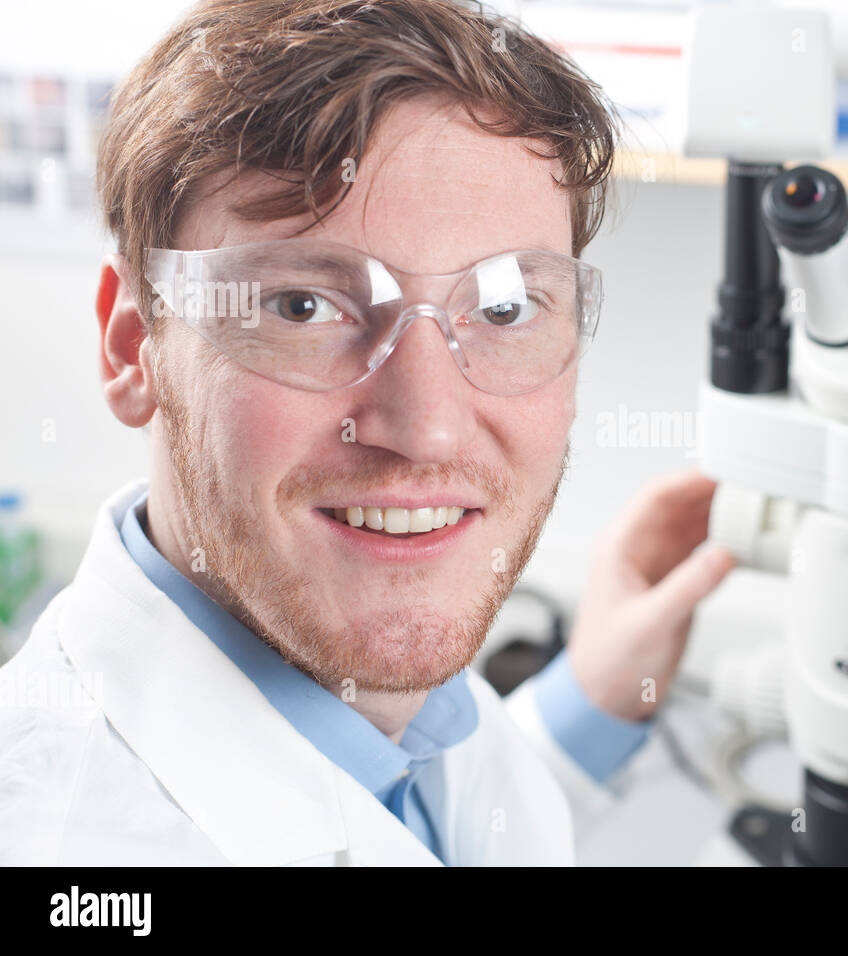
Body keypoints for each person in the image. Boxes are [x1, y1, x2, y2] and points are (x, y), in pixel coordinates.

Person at [0, 0, 735, 865]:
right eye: (304, 306)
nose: (425, 428)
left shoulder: (410, 730)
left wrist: (591, 700)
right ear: (134, 348)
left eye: (503, 306)